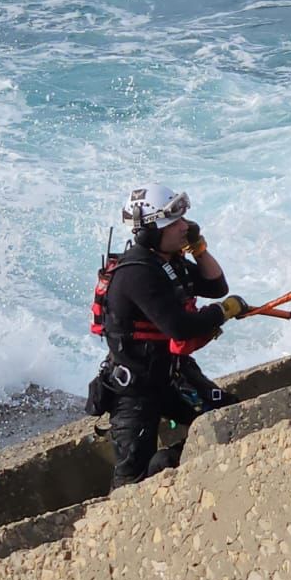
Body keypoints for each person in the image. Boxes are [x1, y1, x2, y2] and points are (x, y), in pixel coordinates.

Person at [88, 182, 248, 487]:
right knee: (130, 482)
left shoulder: (168, 262)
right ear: (152, 231)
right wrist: (224, 311)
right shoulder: (137, 272)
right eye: (176, 223)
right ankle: (162, 468)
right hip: (136, 388)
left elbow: (216, 287)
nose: (185, 226)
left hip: (171, 374)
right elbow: (180, 327)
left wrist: (198, 248)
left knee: (229, 418)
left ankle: (169, 464)